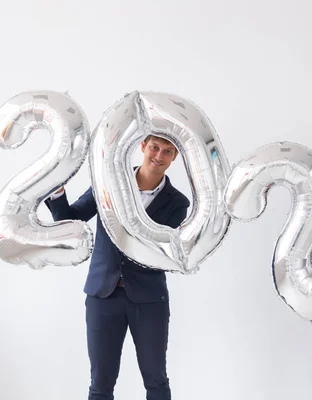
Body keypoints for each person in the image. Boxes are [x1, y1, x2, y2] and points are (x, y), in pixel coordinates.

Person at [45, 135, 190, 400]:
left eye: (168, 151)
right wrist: (57, 191)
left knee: (156, 380)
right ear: (143, 146)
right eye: (155, 147)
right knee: (100, 384)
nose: (159, 155)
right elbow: (70, 219)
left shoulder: (178, 203)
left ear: (175, 157)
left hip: (149, 300)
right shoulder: (108, 184)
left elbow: (161, 253)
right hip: (103, 295)